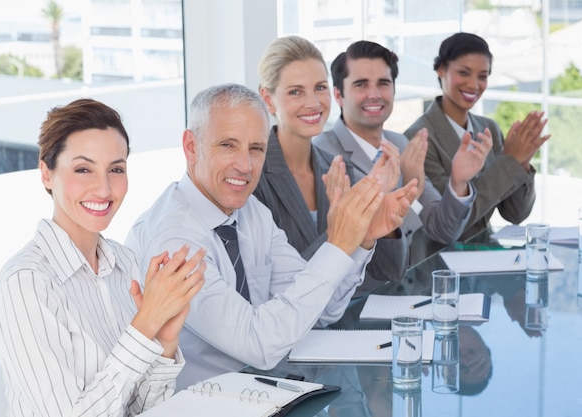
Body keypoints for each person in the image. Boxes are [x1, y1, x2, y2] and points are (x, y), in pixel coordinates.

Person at [126, 83, 416, 388]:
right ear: (190, 146)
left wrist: (361, 240)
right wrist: (339, 242)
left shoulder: (250, 211)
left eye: (256, 148)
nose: (245, 166)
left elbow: (322, 308)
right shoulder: (174, 240)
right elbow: (259, 345)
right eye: (227, 145)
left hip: (260, 394)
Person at [0, 99, 206, 417]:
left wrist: (163, 341)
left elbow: (141, 410)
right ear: (46, 174)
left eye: (115, 169)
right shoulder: (26, 284)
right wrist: (144, 326)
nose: (103, 188)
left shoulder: (124, 263)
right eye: (83, 169)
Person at [253, 35, 417, 295]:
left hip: (340, 326)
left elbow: (389, 271)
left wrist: (379, 198)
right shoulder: (255, 178)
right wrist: (340, 230)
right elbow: (279, 287)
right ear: (268, 99)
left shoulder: (337, 167)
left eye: (319, 87)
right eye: (296, 91)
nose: (313, 102)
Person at [314, 39, 492, 277]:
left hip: (414, 293)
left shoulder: (399, 143)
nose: (375, 94)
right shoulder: (324, 154)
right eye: (361, 85)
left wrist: (458, 183)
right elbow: (360, 255)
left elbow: (442, 230)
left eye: (384, 83)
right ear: (338, 95)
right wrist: (407, 197)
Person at [404, 32, 550, 240]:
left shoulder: (488, 128)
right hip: (437, 261)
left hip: (484, 253)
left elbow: (515, 214)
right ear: (441, 69)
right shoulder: (417, 139)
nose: (474, 85)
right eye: (464, 73)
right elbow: (453, 223)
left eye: (482, 76)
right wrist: (509, 163)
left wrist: (522, 163)